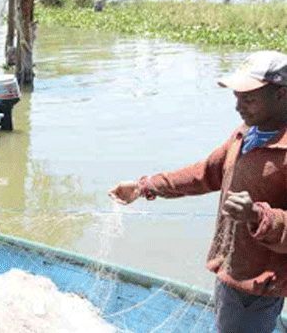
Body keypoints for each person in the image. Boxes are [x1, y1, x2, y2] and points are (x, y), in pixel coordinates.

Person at [109, 51, 287, 333]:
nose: (238, 107)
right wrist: (144, 186)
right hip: (229, 267)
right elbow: (203, 174)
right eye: (237, 98)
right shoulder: (245, 134)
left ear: (280, 95)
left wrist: (256, 215)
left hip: (257, 284)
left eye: (249, 99)